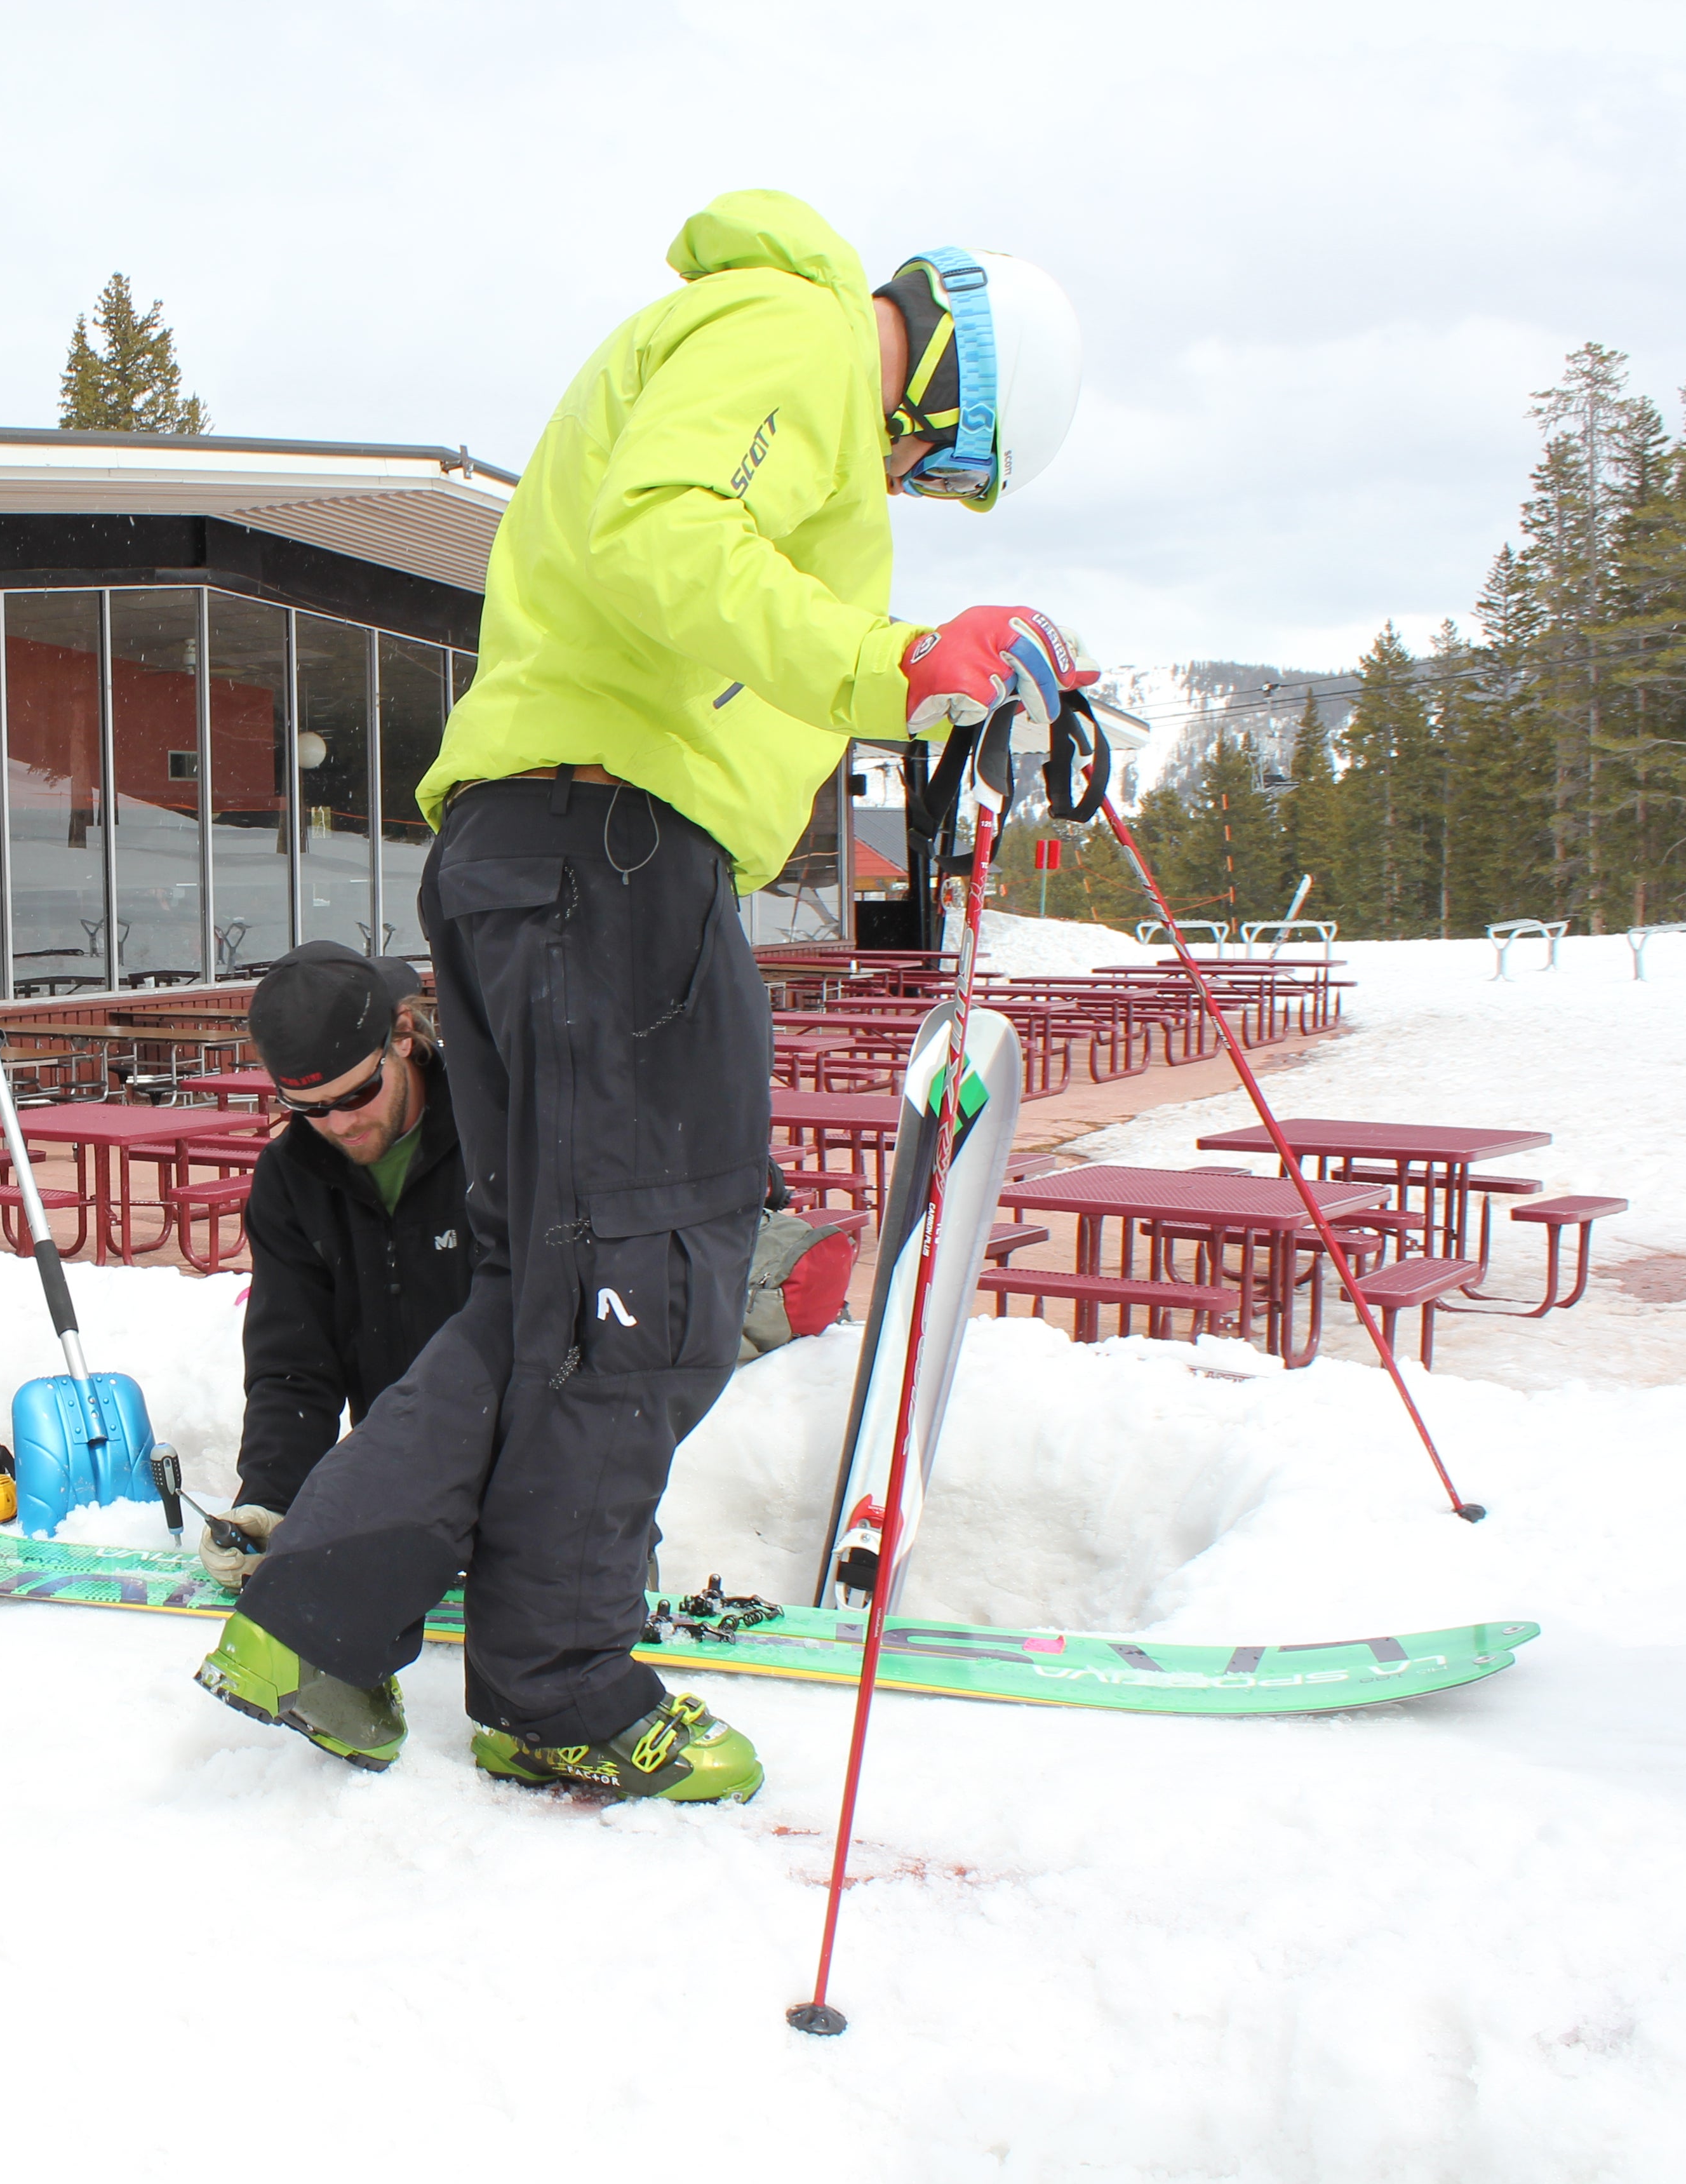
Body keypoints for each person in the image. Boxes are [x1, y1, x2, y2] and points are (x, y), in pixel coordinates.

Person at [194, 189, 1100, 1802]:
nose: (907, 484)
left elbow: (700, 589)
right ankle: (556, 1683)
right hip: (606, 852)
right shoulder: (797, 335)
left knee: (565, 1281)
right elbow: (665, 535)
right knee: (655, 1278)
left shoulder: (753, 344)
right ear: (945, 384)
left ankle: (326, 1624)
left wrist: (918, 694)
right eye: (937, 466)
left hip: (556, 847)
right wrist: (895, 657)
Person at [203, 942, 471, 1590]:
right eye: (311, 1108)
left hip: (545, 1487)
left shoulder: (497, 1138)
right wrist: (271, 1499)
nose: (341, 1123)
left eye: (359, 1093)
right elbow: (294, 1363)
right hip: (402, 1490)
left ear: (402, 1036)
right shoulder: (291, 1178)